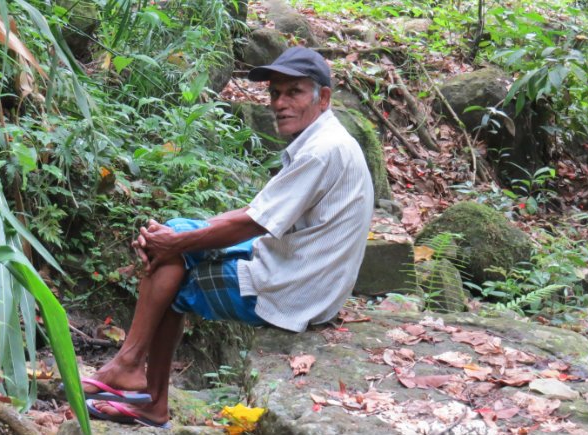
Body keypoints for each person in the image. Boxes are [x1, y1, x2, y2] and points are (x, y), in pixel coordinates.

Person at [82, 46, 374, 428]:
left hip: (293, 290)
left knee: (175, 274)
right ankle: (133, 370)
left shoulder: (321, 151)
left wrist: (173, 245)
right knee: (180, 233)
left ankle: (141, 383)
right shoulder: (324, 139)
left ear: (324, 98)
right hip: (301, 267)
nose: (280, 103)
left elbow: (252, 223)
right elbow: (257, 212)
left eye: (294, 92)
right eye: (275, 93)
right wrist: (175, 235)